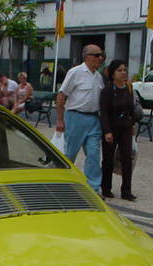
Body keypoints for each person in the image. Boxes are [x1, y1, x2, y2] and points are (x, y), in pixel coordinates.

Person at [55, 44, 106, 193]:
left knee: (94, 154)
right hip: (75, 117)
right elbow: (61, 95)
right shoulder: (75, 72)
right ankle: (63, 183)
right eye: (97, 55)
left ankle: (94, 188)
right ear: (88, 57)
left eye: (101, 55)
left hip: (93, 119)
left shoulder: (98, 76)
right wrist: (60, 119)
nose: (100, 58)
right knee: (70, 153)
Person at [100, 59, 137, 201]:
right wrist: (107, 131)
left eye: (124, 70)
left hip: (125, 128)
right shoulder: (108, 90)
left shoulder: (128, 88)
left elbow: (131, 108)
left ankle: (126, 190)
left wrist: (132, 123)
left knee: (127, 158)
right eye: (119, 70)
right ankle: (106, 187)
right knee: (108, 159)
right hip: (111, 128)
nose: (123, 73)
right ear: (113, 73)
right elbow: (104, 112)